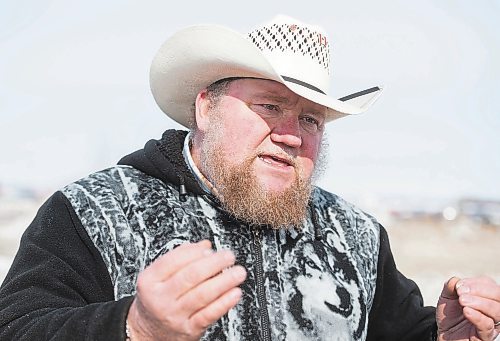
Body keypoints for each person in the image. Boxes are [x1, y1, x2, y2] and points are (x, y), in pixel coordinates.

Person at [0, 14, 499, 341]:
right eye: (269, 107)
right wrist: (134, 326)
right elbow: (18, 328)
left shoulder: (358, 237)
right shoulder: (93, 212)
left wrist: (446, 336)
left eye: (310, 119)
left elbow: (399, 333)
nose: (291, 135)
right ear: (205, 109)